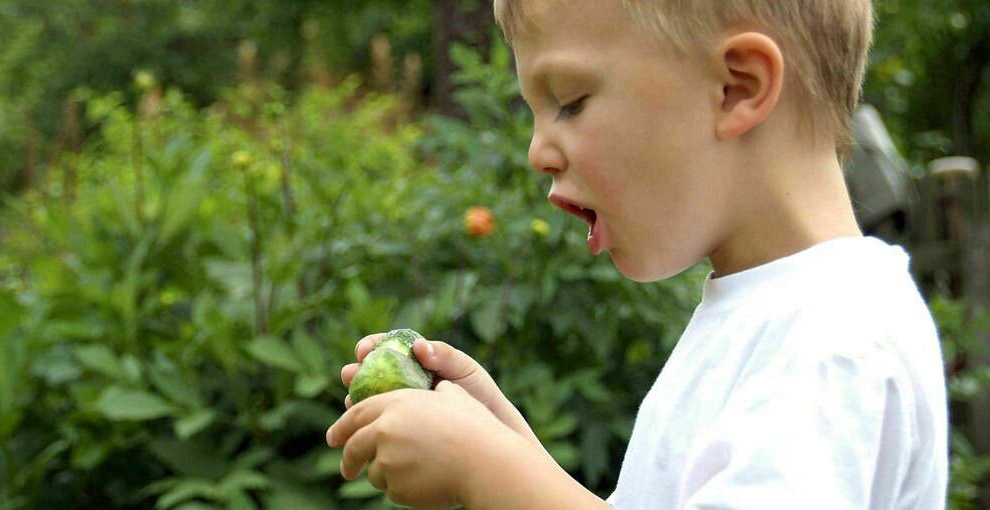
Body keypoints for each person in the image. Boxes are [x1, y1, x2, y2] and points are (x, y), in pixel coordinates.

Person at [326, 0, 949, 508]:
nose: (537, 151)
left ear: (737, 88)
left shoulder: (834, 343)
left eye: (570, 101)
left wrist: (482, 466)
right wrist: (501, 438)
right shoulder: (777, 314)